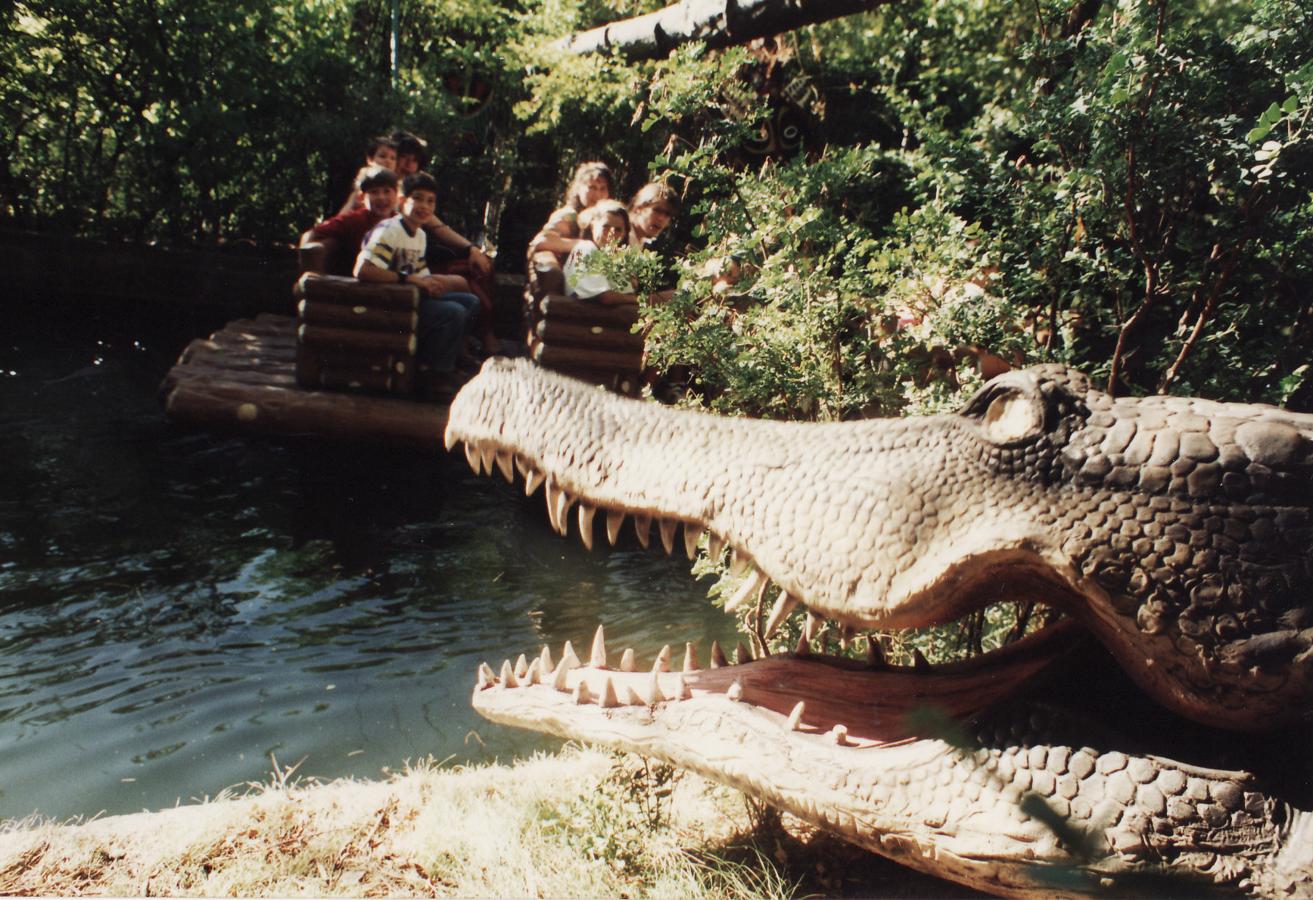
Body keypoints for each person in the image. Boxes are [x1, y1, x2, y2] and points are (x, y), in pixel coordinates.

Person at [355, 172, 481, 398]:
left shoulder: (419, 235)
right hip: (389, 303)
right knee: (452, 312)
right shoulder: (389, 230)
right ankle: (433, 376)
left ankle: (444, 362)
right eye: (418, 199)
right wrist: (407, 279)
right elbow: (363, 270)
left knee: (469, 302)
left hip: (410, 298)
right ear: (403, 201)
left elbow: (418, 273)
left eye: (430, 201)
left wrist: (430, 283)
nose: (424, 206)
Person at [309, 166, 399, 274]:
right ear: (361, 197)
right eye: (374, 192)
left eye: (387, 191)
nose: (381, 197)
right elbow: (312, 234)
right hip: (357, 281)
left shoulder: (400, 221)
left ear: (396, 196)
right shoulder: (354, 220)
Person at [528, 162, 615, 263]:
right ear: (579, 189)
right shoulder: (569, 215)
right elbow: (541, 241)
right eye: (592, 187)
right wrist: (585, 246)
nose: (598, 194)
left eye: (603, 188)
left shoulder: (614, 220)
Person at [563, 200, 637, 307]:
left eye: (618, 230)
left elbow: (627, 297)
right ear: (593, 226)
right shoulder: (585, 248)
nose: (611, 235)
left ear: (625, 234)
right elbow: (605, 298)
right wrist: (640, 300)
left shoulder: (617, 260)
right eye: (605, 227)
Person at [337, 136, 399, 215]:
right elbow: (345, 212)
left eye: (393, 158)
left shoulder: (397, 183)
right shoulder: (365, 180)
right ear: (370, 159)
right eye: (382, 156)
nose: (388, 161)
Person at [627, 181, 680, 248]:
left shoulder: (639, 241)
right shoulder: (619, 234)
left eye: (667, 214)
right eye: (657, 210)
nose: (661, 218)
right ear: (639, 207)